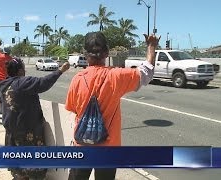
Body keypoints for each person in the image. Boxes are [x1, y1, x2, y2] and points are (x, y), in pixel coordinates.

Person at [65, 32, 160, 180]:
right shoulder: (116, 76)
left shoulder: (77, 79)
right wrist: (151, 46)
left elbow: (73, 109)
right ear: (107, 53)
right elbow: (147, 72)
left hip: (82, 147)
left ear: (85, 54)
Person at [0, 59, 70, 180]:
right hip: (26, 132)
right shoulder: (23, 82)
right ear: (21, 70)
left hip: (12, 131)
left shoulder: (4, 84)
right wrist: (60, 71)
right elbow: (43, 83)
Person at [0, 39, 13, 119]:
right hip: (7, 80)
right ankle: (6, 114)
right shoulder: (11, 59)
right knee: (6, 97)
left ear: (3, 50)